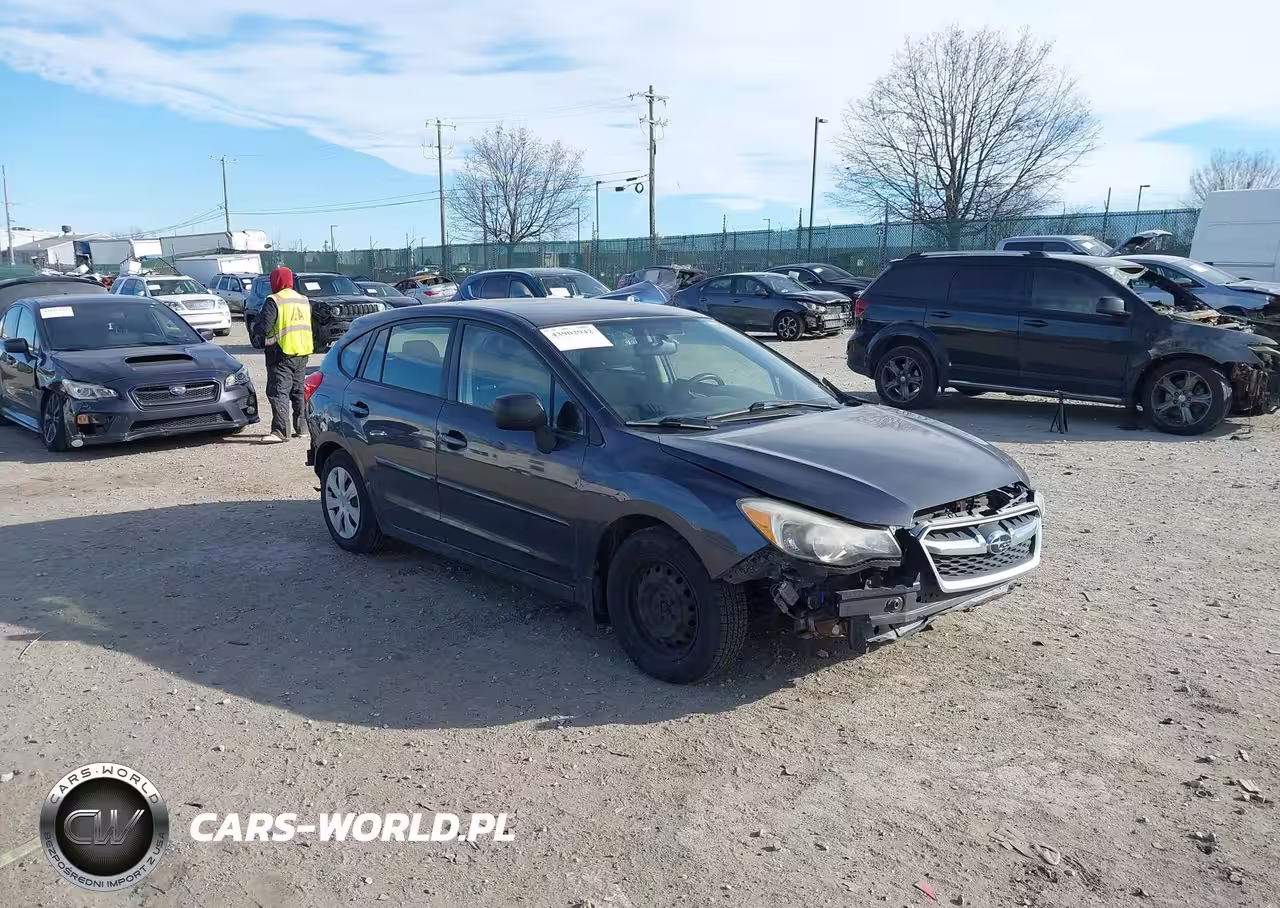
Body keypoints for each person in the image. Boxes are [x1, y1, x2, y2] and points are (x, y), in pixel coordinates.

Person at [259, 265, 313, 444]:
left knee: (278, 392)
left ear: (275, 281)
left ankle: (281, 431)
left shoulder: (274, 300)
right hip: (302, 351)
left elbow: (265, 327)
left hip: (281, 353)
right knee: (298, 392)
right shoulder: (303, 299)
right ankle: (303, 428)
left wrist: (259, 337)